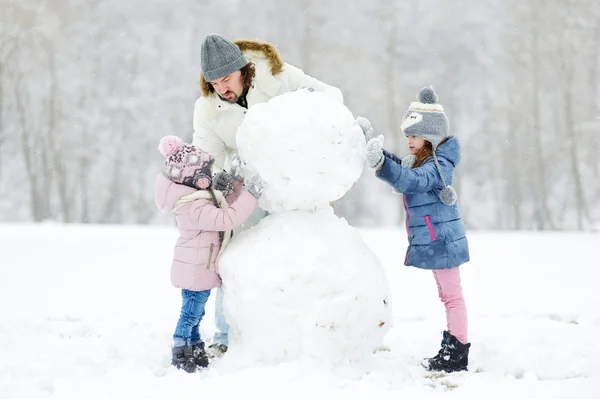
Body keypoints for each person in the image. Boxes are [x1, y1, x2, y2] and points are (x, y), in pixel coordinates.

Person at [192, 33, 344, 356]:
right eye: (214, 82)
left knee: (302, 254)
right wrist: (220, 177)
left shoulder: (277, 76)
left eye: (226, 79)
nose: (222, 88)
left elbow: (329, 96)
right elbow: (206, 160)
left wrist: (329, 130)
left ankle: (309, 328)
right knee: (234, 256)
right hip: (245, 190)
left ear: (243, 69)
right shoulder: (207, 109)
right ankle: (226, 332)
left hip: (291, 183)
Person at [358, 86, 471, 373]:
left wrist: (382, 165)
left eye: (414, 135)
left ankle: (457, 351)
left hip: (443, 241)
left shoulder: (438, 166)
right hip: (438, 239)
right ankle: (453, 345)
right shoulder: (425, 160)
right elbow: (403, 169)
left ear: (430, 137)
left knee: (452, 297)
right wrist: (373, 147)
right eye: (407, 134)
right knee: (448, 296)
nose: (408, 140)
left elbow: (410, 181)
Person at [154, 135, 264, 372]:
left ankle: (193, 346)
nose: (211, 174)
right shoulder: (193, 205)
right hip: (196, 268)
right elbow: (226, 217)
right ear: (196, 178)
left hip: (198, 266)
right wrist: (251, 196)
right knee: (190, 314)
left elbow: (222, 204)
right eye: (207, 170)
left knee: (196, 311)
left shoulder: (196, 198)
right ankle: (181, 350)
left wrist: (234, 184)